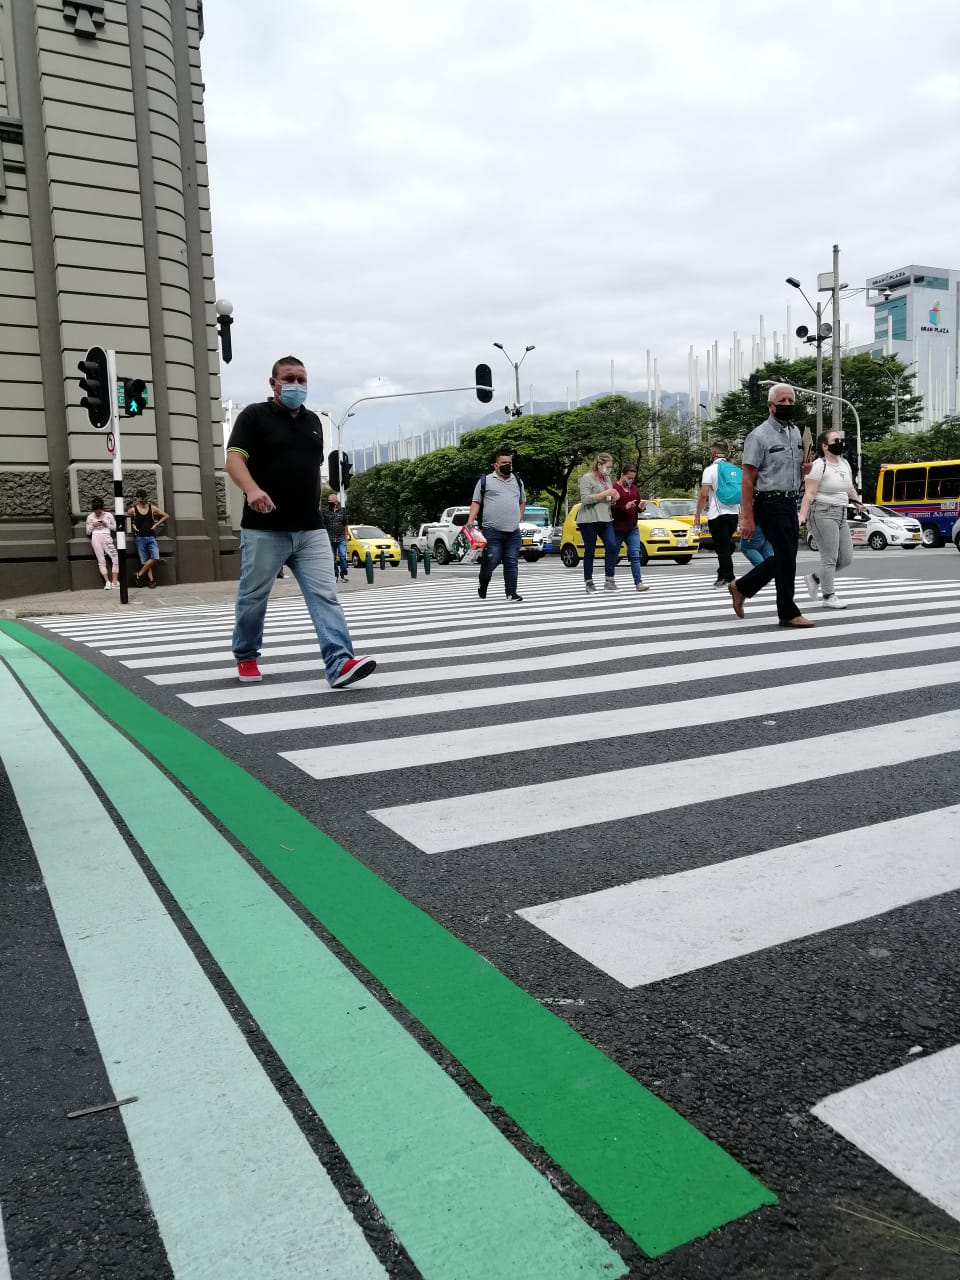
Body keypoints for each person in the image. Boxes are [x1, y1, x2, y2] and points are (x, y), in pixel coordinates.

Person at [224, 355, 375, 687]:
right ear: (273, 383)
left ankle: (339, 663)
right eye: (289, 378)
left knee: (325, 595)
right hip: (264, 529)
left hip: (311, 528)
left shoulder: (314, 422)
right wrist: (251, 490)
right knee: (253, 596)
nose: (296, 385)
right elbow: (234, 458)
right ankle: (247, 654)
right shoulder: (254, 416)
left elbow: (308, 471)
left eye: (302, 379)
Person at [728, 383, 814, 628]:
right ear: (770, 405)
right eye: (782, 401)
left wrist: (804, 470)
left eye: (790, 400)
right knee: (787, 556)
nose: (787, 404)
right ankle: (787, 612)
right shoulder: (759, 436)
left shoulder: (796, 432)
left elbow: (794, 469)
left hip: (789, 501)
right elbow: (747, 479)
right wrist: (746, 517)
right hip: (768, 501)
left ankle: (741, 586)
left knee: (788, 556)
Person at [798, 428, 868, 610]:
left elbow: (849, 488)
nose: (840, 443)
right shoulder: (819, 465)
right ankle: (828, 596)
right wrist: (802, 515)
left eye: (840, 440)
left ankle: (814, 578)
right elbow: (809, 493)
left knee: (845, 558)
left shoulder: (844, 463)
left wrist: (859, 503)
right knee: (829, 558)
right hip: (822, 512)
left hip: (842, 513)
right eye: (835, 440)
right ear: (824, 445)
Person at [467, 450, 525, 602]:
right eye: (504, 463)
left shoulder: (517, 481)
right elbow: (476, 502)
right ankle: (483, 584)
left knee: (511, 562)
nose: (507, 465)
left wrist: (519, 517)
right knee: (492, 560)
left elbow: (522, 501)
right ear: (496, 465)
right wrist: (470, 521)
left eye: (509, 463)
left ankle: (511, 593)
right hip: (492, 531)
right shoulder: (485, 481)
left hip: (513, 531)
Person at [693, 440, 740, 588]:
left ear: (713, 453)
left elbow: (703, 495)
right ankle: (721, 575)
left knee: (722, 548)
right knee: (724, 547)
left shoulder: (710, 470)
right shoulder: (735, 469)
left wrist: (697, 516)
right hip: (734, 514)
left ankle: (730, 578)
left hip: (717, 515)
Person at [577, 452, 620, 593]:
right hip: (589, 519)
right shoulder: (587, 478)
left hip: (605, 518)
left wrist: (613, 498)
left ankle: (609, 580)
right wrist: (606, 494)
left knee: (612, 546)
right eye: (607, 466)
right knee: (590, 549)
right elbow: (585, 499)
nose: (609, 470)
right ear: (599, 464)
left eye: (611, 467)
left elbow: (607, 499)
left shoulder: (607, 479)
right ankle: (589, 582)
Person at [610, 463, 650, 592]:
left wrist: (641, 508)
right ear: (622, 474)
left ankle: (638, 582)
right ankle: (609, 581)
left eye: (633, 478)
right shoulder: (613, 488)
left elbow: (637, 506)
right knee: (613, 555)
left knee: (635, 555)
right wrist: (624, 507)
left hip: (632, 527)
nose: (631, 480)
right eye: (629, 477)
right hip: (617, 528)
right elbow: (609, 508)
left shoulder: (634, 489)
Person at [126, 488, 168, 588]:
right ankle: (151, 581)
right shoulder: (132, 510)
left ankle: (138, 575)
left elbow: (166, 516)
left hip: (151, 537)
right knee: (145, 562)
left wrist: (156, 524)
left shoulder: (152, 508)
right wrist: (132, 527)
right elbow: (127, 525)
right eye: (141, 499)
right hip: (140, 538)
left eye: (144, 499)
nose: (143, 501)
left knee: (155, 557)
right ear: (137, 499)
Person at [85, 497, 119, 589]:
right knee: (101, 561)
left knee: (115, 557)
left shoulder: (108, 515)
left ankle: (115, 582)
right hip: (95, 537)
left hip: (106, 536)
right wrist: (93, 525)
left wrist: (105, 524)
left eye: (99, 510)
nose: (98, 512)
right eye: (96, 511)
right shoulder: (90, 517)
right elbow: (88, 532)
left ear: (102, 508)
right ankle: (107, 582)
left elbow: (115, 528)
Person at [322, 493, 350, 582]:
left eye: (331, 501)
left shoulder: (342, 511)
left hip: (341, 538)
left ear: (336, 502)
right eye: (328, 501)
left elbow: (345, 524)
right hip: (330, 538)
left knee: (342, 556)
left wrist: (346, 536)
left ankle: (343, 574)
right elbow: (323, 525)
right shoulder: (325, 511)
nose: (329, 503)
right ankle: (335, 575)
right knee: (332, 558)